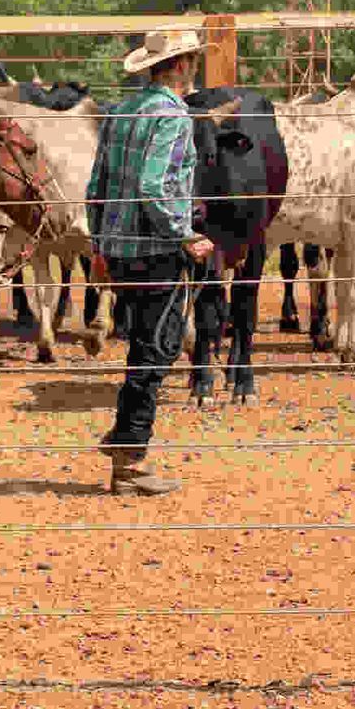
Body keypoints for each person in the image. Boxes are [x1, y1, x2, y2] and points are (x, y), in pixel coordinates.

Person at [85, 26, 215, 495]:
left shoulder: (121, 111)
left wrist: (99, 244)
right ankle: (130, 454)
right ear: (180, 65)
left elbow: (96, 184)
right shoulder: (173, 116)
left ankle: (126, 448)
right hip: (154, 250)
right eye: (192, 59)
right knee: (156, 350)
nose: (195, 66)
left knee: (144, 345)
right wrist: (185, 237)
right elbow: (154, 186)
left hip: (119, 250)